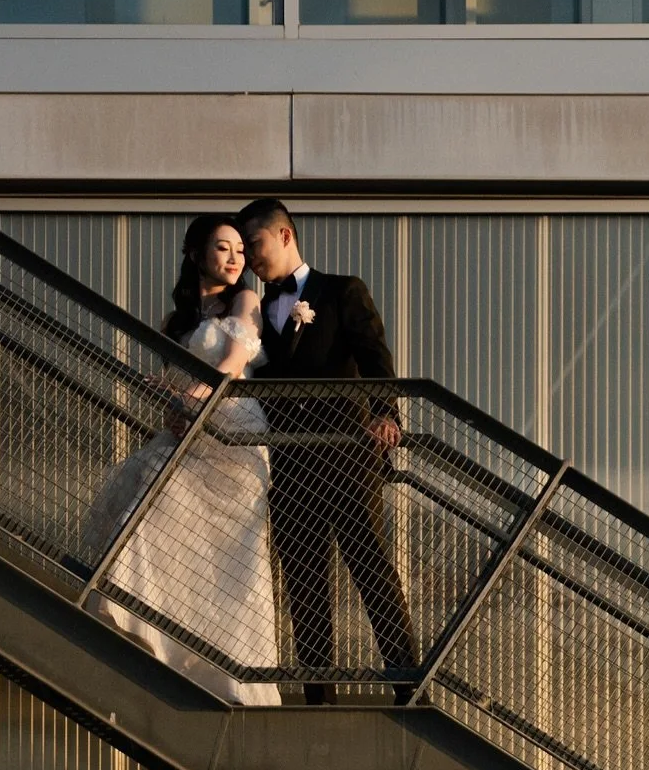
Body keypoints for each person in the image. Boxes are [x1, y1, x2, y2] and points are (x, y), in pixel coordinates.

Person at [80, 214, 280, 707]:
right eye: (223, 249)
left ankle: (235, 676)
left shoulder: (246, 301)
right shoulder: (176, 320)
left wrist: (190, 397)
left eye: (239, 249)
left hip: (232, 434)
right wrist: (171, 403)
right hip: (188, 428)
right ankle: (151, 629)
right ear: (196, 256)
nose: (235, 259)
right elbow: (170, 380)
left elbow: (233, 363)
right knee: (144, 481)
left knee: (231, 562)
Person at [237, 196, 419, 705]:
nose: (250, 256)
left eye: (255, 243)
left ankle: (409, 686)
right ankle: (320, 696)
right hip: (290, 464)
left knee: (371, 569)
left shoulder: (341, 291)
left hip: (346, 455)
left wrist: (386, 412)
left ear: (284, 235)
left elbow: (375, 357)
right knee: (305, 583)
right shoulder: (252, 311)